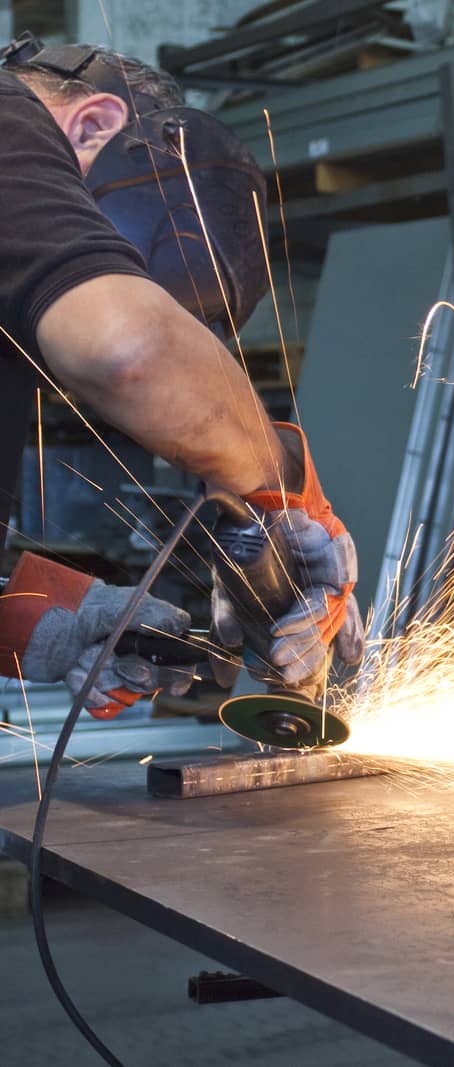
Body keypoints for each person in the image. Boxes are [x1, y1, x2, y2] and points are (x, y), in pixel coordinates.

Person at [0, 35, 361, 717]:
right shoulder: (9, 121)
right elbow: (130, 351)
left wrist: (37, 618)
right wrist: (285, 495)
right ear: (93, 124)